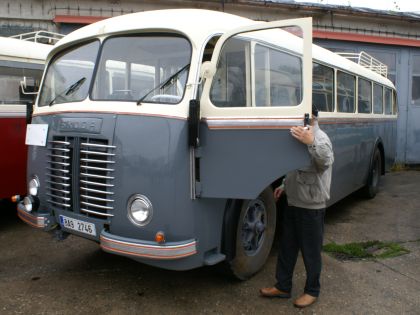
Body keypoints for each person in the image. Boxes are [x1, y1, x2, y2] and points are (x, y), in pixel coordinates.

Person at [260, 106, 334, 308]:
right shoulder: (298, 136)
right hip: (294, 202)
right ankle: (282, 286)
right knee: (287, 247)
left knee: (310, 251)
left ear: (312, 118)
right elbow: (294, 167)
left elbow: (325, 161)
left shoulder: (320, 139)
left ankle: (312, 291)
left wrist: (311, 143)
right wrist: (284, 186)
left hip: (311, 206)